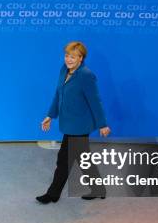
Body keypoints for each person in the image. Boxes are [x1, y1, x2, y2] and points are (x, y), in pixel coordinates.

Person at [37, 41, 111, 204]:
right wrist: (50, 115)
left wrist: (102, 124)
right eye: (67, 55)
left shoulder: (86, 75)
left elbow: (95, 101)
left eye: (73, 56)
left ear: (81, 58)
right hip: (68, 122)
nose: (68, 59)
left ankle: (53, 194)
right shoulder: (64, 70)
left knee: (63, 160)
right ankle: (99, 188)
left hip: (80, 125)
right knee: (83, 159)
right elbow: (58, 95)